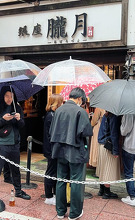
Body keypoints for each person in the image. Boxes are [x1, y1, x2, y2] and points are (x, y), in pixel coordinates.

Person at [50, 87, 93, 220]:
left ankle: (60, 212)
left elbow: (52, 131)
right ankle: (74, 213)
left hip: (60, 150)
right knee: (76, 181)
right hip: (76, 151)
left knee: (61, 181)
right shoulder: (81, 111)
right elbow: (86, 132)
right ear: (79, 99)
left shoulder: (58, 110)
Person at [0, 86, 31, 200]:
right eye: (7, 96)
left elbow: (22, 125)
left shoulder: (17, 108)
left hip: (14, 144)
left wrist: (19, 119)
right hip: (0, 145)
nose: (9, 98)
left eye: (11, 96)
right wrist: (3, 119)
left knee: (15, 170)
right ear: (2, 96)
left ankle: (18, 190)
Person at [43, 94, 64, 205]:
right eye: (61, 102)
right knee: (51, 171)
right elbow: (51, 135)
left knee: (54, 171)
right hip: (51, 149)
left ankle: (53, 194)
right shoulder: (51, 115)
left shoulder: (52, 114)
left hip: (52, 148)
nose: (62, 104)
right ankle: (48, 196)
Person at [97, 111, 120, 199]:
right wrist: (115, 151)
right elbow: (114, 134)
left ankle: (101, 190)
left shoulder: (105, 115)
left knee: (102, 168)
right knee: (108, 169)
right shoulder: (114, 116)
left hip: (102, 143)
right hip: (109, 145)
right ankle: (107, 192)